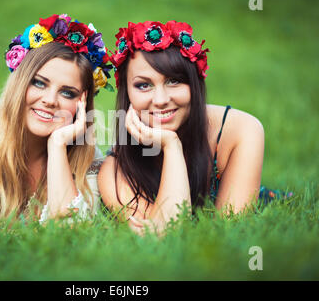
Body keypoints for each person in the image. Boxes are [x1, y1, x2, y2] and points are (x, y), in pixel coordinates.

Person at [98, 20, 291, 235]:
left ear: (195, 84)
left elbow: (231, 233)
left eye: (174, 81)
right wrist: (172, 146)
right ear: (127, 93)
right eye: (144, 85)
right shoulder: (115, 171)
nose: (161, 100)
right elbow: (168, 234)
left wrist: (170, 145)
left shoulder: (240, 130)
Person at [0, 14, 112, 228]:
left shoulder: (86, 154)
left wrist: (57, 146)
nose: (50, 100)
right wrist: (14, 241)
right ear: (19, 80)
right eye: (38, 83)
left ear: (82, 103)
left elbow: (72, 233)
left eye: (67, 93)